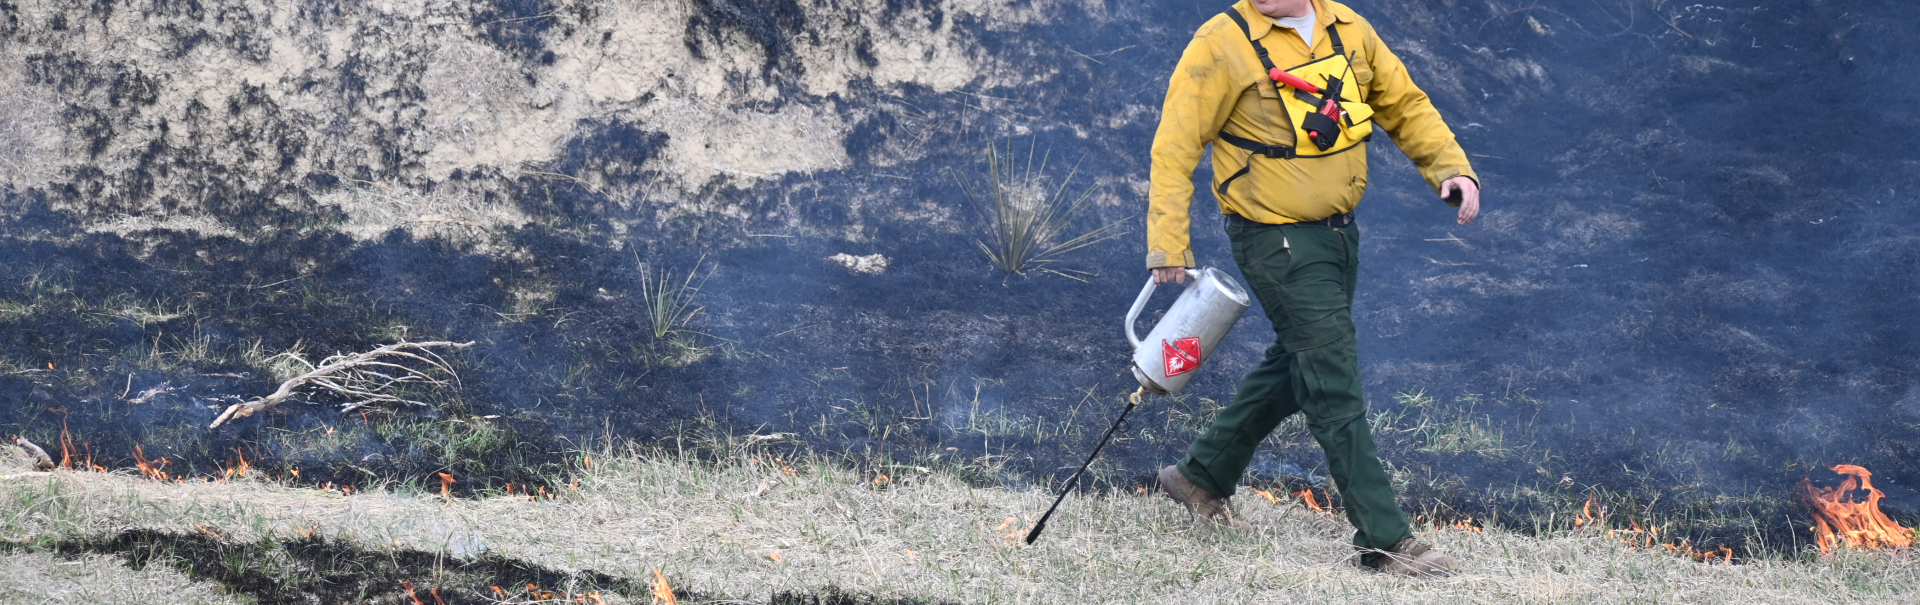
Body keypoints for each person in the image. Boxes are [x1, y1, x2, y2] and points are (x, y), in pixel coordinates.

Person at [1144, 0, 1481, 577]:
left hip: (1338, 237)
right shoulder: (1220, 40)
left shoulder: (1347, 27)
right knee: (1332, 380)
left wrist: (1449, 166)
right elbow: (1175, 146)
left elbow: (1404, 104)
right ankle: (1386, 538)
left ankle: (1200, 476)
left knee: (1299, 362)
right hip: (1274, 240)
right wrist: (1168, 243)